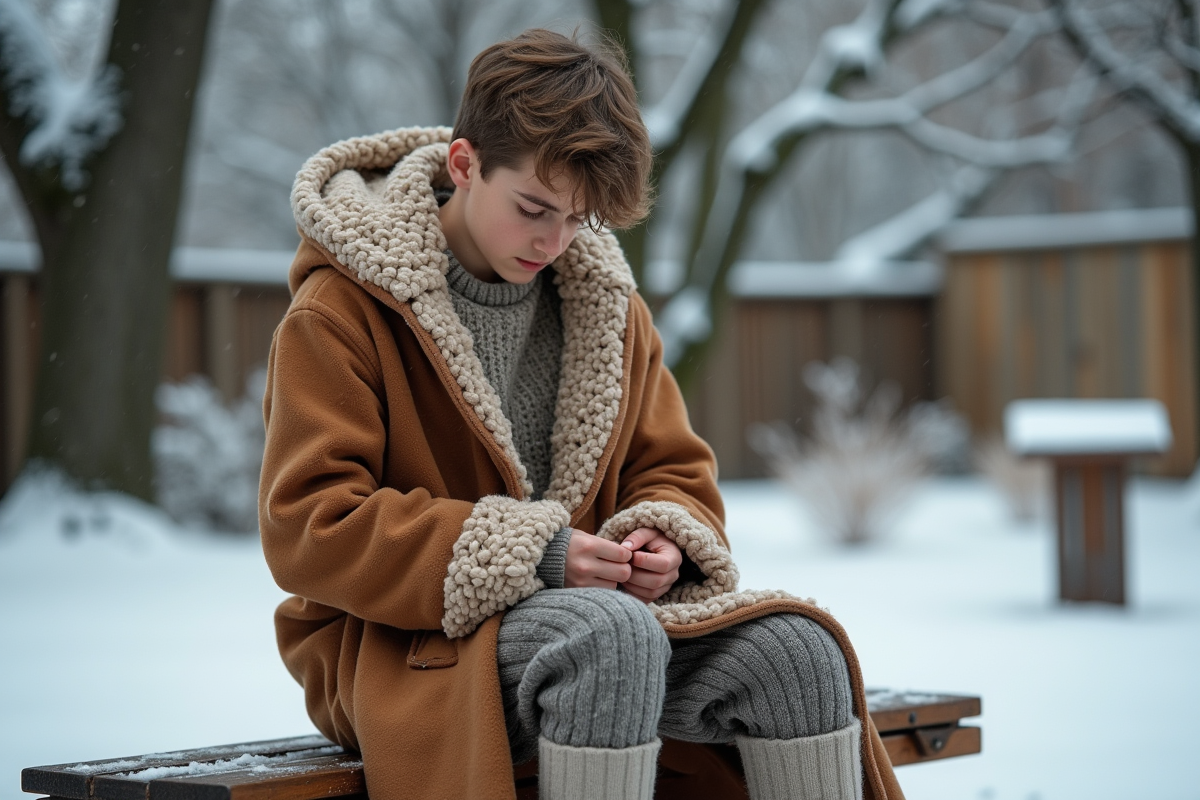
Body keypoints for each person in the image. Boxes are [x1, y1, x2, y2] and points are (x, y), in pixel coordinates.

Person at [260, 27, 904, 800]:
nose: (553, 239)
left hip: (606, 628)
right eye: (533, 207)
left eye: (578, 218)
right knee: (609, 639)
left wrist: (660, 534)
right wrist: (535, 554)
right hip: (398, 644)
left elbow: (672, 467)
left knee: (798, 653)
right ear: (464, 165)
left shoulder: (605, 308)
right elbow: (309, 527)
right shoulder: (338, 312)